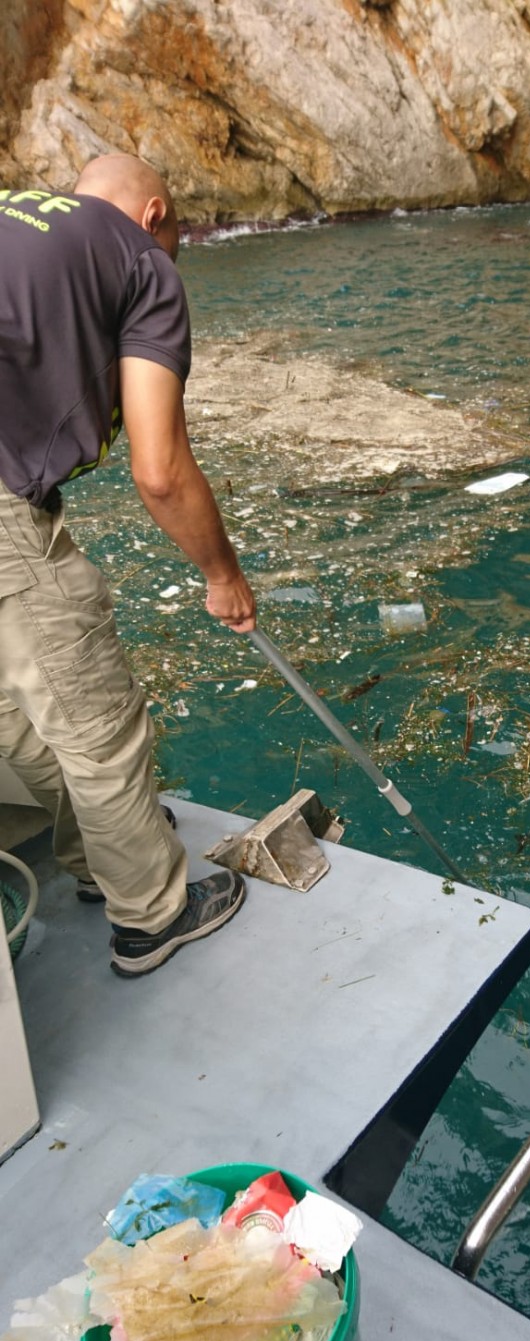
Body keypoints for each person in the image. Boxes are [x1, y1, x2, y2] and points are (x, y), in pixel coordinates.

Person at [0, 154, 256, 977]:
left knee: (15, 708)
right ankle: (153, 914)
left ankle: (94, 856)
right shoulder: (136, 259)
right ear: (152, 215)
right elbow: (160, 468)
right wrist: (223, 574)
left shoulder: (18, 218)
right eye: (176, 231)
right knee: (94, 715)